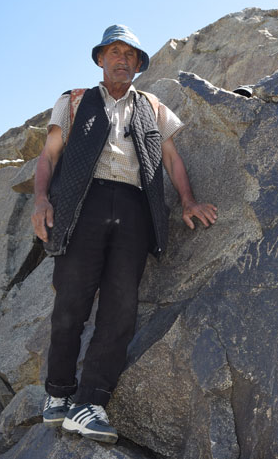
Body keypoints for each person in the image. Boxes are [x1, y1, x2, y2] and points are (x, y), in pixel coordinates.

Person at [31, 24, 217, 444]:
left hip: (134, 208)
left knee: (121, 309)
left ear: (138, 65)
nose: (124, 60)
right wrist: (42, 200)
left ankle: (89, 401)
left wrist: (187, 201)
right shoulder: (74, 101)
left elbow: (171, 158)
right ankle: (58, 393)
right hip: (84, 204)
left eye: (131, 55)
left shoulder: (153, 105)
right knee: (71, 304)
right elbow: (49, 155)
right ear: (101, 59)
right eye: (116, 52)